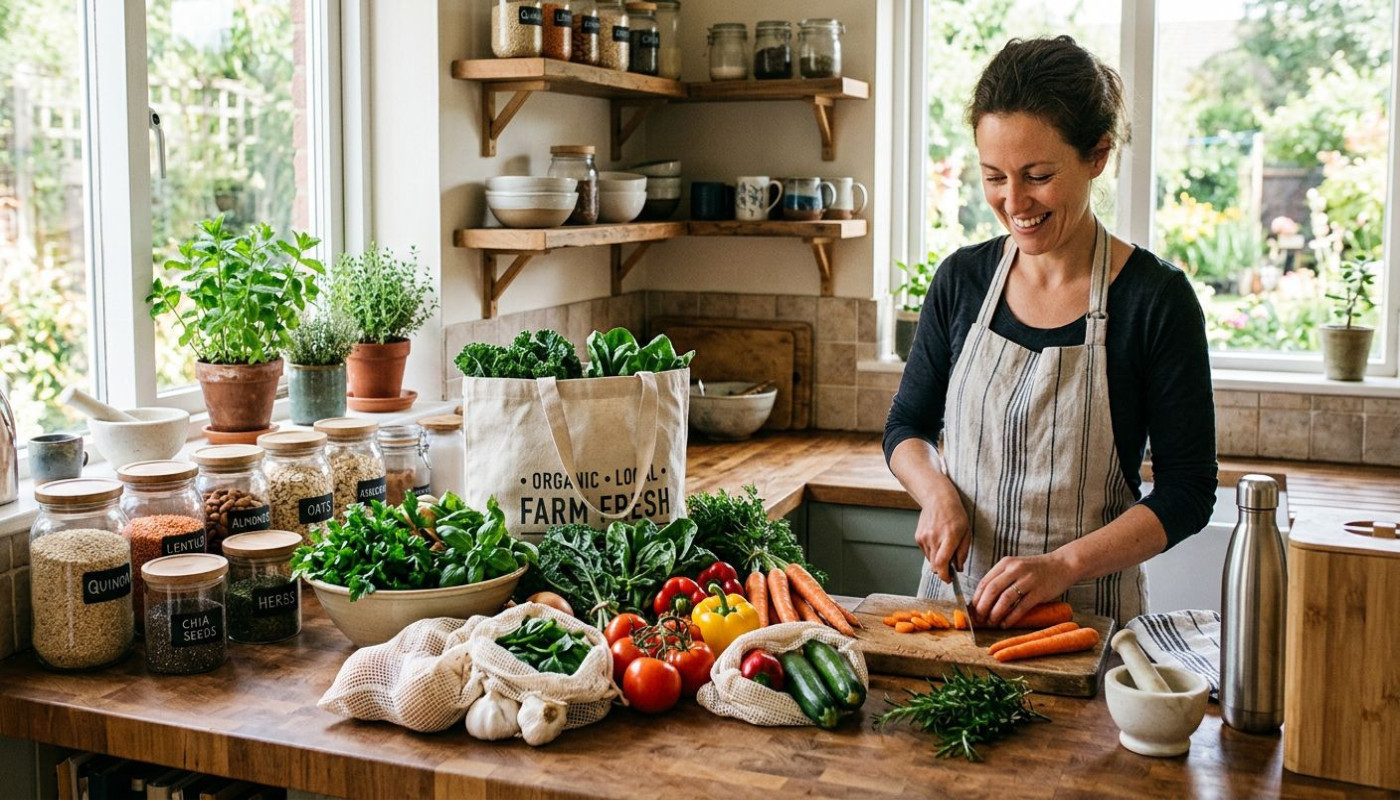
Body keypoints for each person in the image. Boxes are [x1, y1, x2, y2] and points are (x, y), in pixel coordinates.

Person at [884, 36, 1217, 628]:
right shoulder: (962, 279)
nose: (1014, 202)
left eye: (1037, 175)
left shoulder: (1155, 300)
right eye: (994, 176)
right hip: (954, 621)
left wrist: (1062, 565)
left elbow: (1187, 492)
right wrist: (936, 493)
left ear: (1098, 156)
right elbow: (907, 427)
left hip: (1086, 629)